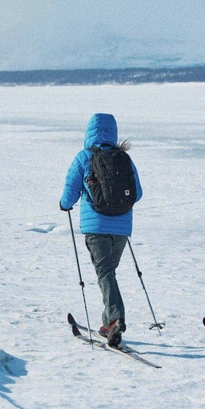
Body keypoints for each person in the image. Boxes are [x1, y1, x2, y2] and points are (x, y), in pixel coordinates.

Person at [60, 113, 142, 347]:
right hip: (122, 227)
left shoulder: (84, 157)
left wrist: (65, 205)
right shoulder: (124, 158)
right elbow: (139, 192)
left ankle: (116, 319)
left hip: (96, 226)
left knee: (105, 273)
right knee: (108, 273)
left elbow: (70, 190)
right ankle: (108, 324)